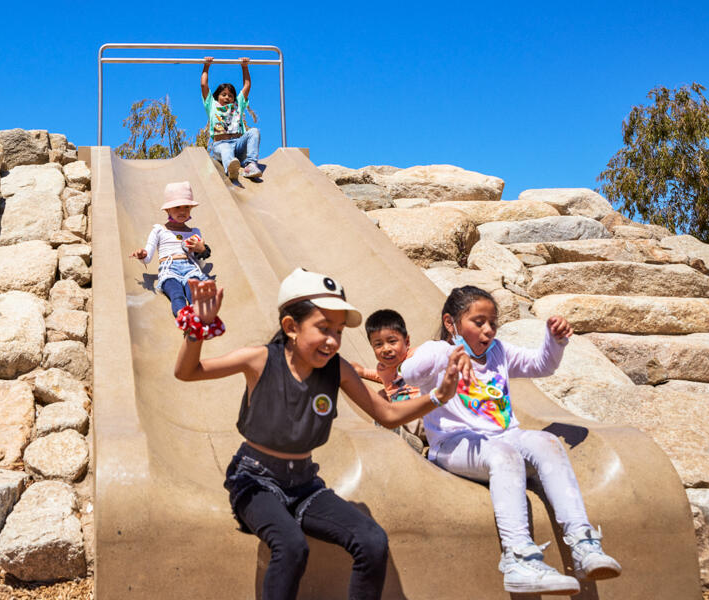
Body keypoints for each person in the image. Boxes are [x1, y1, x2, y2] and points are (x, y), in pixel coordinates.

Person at [174, 269, 464, 600]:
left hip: (305, 485)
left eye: (338, 331)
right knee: (291, 546)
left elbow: (387, 414)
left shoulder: (336, 369)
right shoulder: (259, 360)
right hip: (254, 481)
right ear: (291, 327)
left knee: (372, 541)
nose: (332, 340)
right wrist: (196, 330)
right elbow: (187, 372)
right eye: (323, 329)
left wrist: (439, 395)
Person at [400, 285, 623, 595]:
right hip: (453, 444)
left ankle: (583, 544)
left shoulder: (498, 352)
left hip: (503, 436)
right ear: (451, 323)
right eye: (478, 322)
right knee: (504, 454)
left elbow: (540, 365)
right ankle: (518, 557)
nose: (488, 330)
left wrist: (555, 340)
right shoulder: (437, 351)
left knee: (547, 443)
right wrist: (448, 357)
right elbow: (408, 373)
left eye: (493, 322)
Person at [131, 181, 211, 318]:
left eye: (186, 207)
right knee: (176, 294)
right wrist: (142, 254)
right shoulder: (159, 230)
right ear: (168, 210)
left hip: (190, 268)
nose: (182, 211)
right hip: (169, 269)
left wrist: (201, 248)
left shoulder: (194, 231)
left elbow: (202, 254)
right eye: (177, 207)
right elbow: (148, 256)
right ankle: (184, 317)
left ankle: (198, 317)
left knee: (194, 293)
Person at [202, 56, 263, 182]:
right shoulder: (212, 105)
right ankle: (231, 169)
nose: (227, 97)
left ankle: (250, 165)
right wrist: (206, 66)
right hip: (221, 144)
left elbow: (247, 85)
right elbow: (204, 85)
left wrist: (244, 67)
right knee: (225, 149)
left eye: (230, 95)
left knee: (254, 132)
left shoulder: (238, 104)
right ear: (217, 96)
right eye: (223, 95)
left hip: (238, 144)